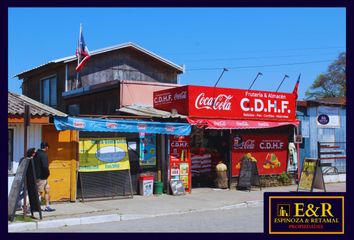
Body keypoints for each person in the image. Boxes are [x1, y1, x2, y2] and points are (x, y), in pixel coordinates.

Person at [34, 141, 55, 212]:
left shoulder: (36, 154)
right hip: (42, 177)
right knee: (39, 192)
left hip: (39, 176)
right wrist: (47, 173)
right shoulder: (44, 155)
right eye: (48, 147)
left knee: (47, 190)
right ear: (46, 147)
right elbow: (45, 166)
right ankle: (29, 207)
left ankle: (47, 206)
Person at [16, 148, 36, 213]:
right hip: (26, 179)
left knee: (20, 192)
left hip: (21, 178)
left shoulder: (22, 159)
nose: (35, 154)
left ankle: (18, 205)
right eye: (34, 152)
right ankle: (25, 207)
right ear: (32, 153)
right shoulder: (30, 160)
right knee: (26, 193)